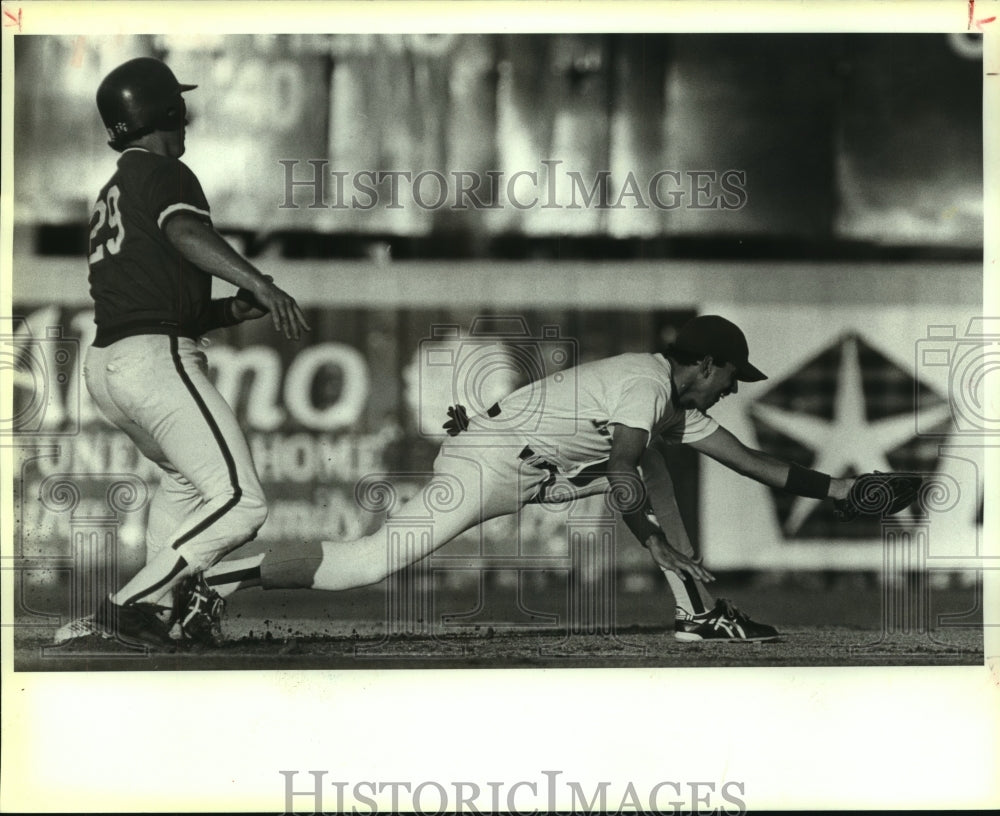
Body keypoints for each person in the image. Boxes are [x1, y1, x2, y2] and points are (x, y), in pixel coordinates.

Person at [199, 314, 915, 643]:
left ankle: (697, 612)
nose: (736, 387)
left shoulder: (673, 402)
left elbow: (755, 464)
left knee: (660, 465)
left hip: (543, 472)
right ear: (703, 365)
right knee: (367, 563)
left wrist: (841, 492)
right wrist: (652, 541)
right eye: (733, 375)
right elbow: (625, 469)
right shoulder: (646, 386)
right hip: (487, 464)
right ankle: (219, 581)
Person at [55, 57, 311, 649]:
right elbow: (187, 235)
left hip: (112, 363)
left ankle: (153, 615)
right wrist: (262, 284)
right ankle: (129, 605)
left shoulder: (116, 187)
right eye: (179, 102)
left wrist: (228, 310)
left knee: (188, 486)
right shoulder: (165, 171)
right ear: (166, 111)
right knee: (243, 502)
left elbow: (162, 299)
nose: (187, 112)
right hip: (154, 359)